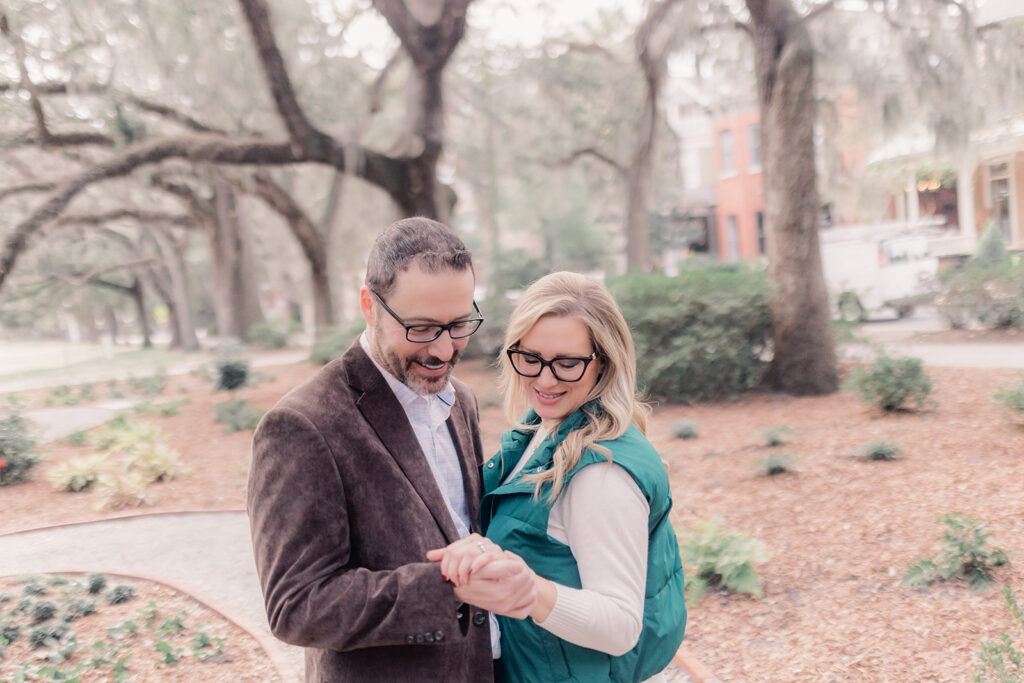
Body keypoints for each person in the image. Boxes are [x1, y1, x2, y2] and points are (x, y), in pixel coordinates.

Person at [247, 217, 536, 682]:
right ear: (369, 305)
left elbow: (460, 529)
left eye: (459, 324)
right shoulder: (301, 425)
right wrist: (448, 588)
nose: (443, 350)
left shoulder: (460, 401)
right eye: (421, 328)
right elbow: (295, 606)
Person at [429, 271, 687, 682]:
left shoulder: (600, 475)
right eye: (530, 358)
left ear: (604, 363)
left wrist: (530, 591)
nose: (545, 380)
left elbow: (620, 625)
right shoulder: (545, 429)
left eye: (567, 364)